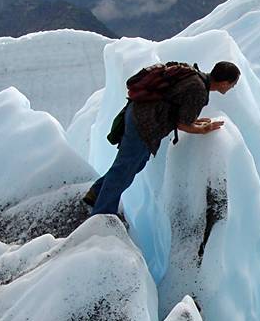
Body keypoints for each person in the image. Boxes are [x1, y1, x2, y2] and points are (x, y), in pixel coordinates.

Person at [84, 60, 240, 216]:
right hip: (144, 122)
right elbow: (181, 123)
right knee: (125, 167)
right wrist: (203, 130)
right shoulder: (198, 89)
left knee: (134, 164)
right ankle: (102, 212)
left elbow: (178, 110)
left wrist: (194, 122)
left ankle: (96, 193)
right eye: (233, 84)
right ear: (225, 83)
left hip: (139, 113)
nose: (232, 87)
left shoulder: (195, 77)